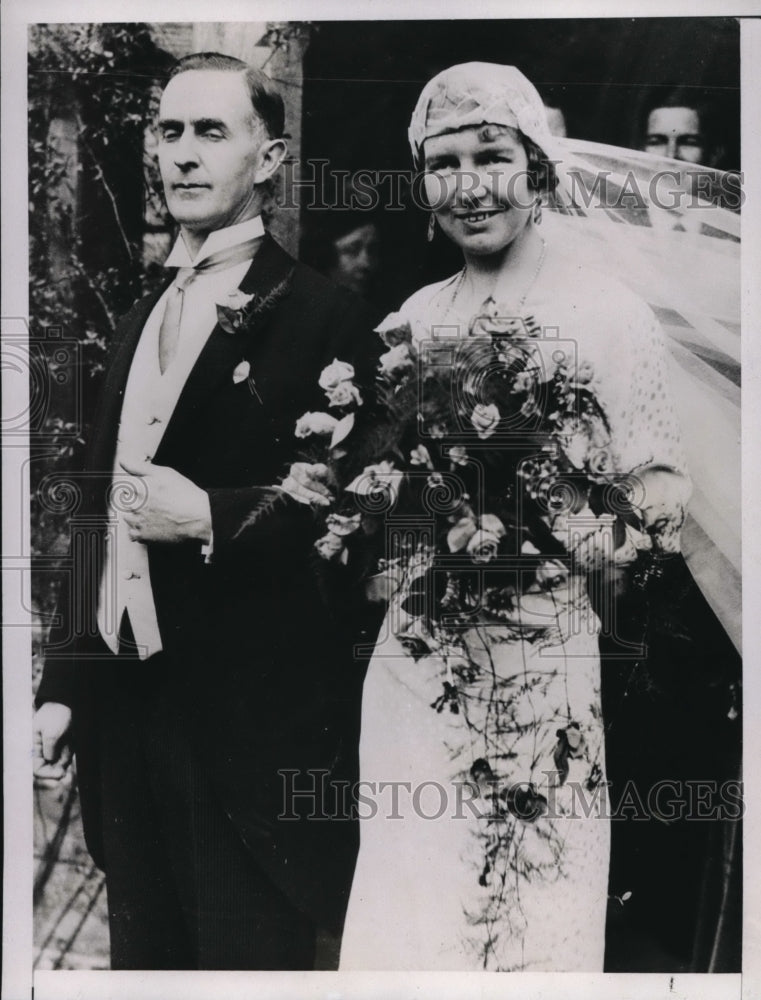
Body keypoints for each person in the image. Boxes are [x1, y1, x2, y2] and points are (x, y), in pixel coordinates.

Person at [338, 62, 691, 972]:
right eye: (442, 162)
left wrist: (572, 525)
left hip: (540, 665)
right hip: (417, 665)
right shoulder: (413, 319)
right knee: (412, 912)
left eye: (490, 156)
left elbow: (657, 503)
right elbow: (398, 493)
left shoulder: (607, 314)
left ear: (536, 169)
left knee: (529, 913)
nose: (468, 185)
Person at [32, 51, 380, 970]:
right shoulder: (145, 311)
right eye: (170, 131)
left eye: (212, 132)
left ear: (267, 160)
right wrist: (64, 687)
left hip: (243, 743)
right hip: (125, 720)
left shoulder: (327, 319)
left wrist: (217, 517)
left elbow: (357, 520)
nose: (182, 155)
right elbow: (93, 499)